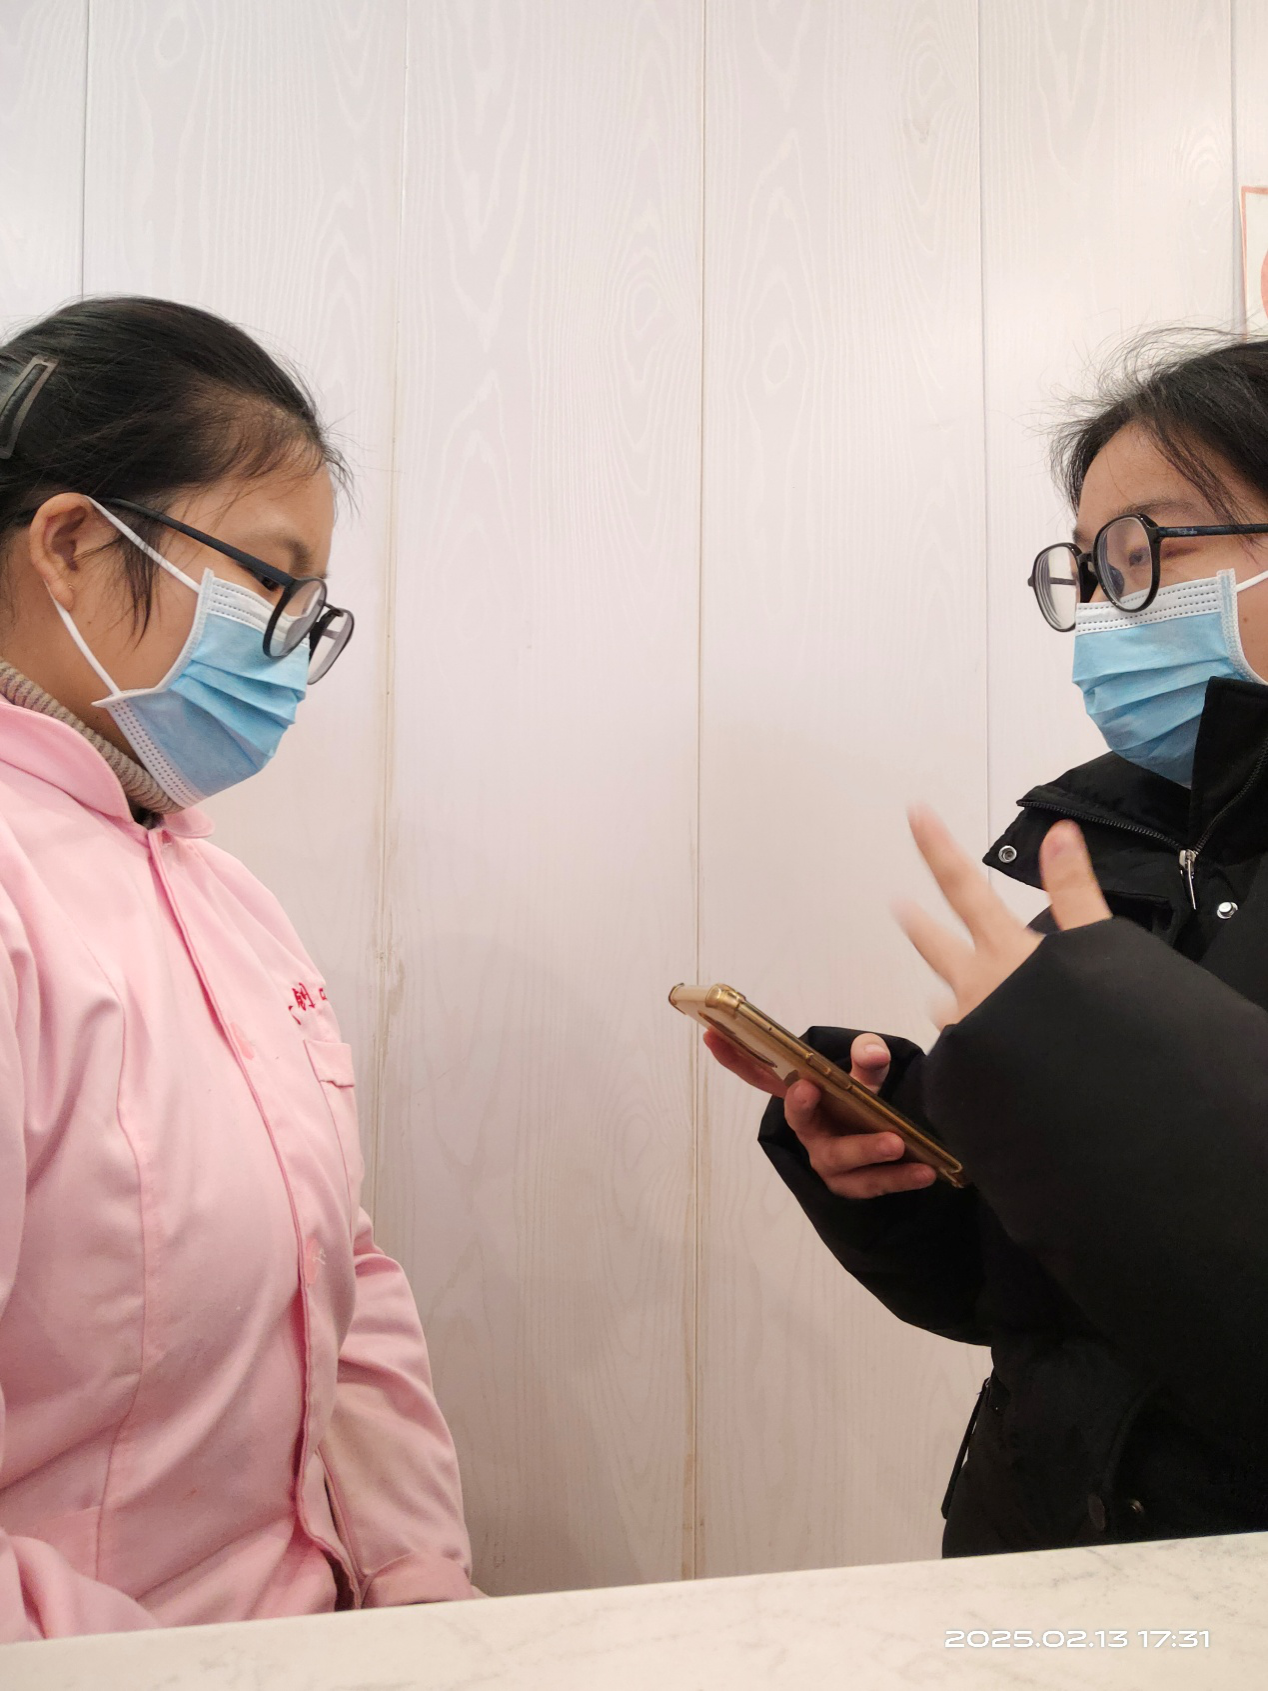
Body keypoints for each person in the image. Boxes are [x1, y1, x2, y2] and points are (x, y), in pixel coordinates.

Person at [705, 330, 1268, 1554]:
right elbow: (1051, 1302)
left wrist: (1109, 1070)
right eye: (1090, 571)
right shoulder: (1113, 851)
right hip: (1034, 1576)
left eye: (1141, 556)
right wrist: (906, 1165)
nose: (1104, 611)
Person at [0, 297, 473, 1639]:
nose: (290, 647)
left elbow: (340, 1278)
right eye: (268, 578)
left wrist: (422, 1596)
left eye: (311, 607)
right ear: (73, 541)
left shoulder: (220, 890)